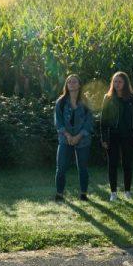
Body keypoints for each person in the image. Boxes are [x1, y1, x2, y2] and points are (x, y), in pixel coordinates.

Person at [100, 71, 133, 201]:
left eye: (120, 81)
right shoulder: (108, 97)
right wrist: (104, 138)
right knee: (112, 164)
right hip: (112, 135)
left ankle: (128, 191)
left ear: (125, 83)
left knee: (127, 164)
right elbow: (103, 120)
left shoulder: (132, 98)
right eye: (115, 81)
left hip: (128, 135)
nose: (117, 84)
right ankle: (113, 192)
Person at [54, 74, 93, 202]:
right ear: (66, 85)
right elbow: (58, 122)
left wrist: (79, 136)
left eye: (74, 82)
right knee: (61, 168)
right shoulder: (61, 102)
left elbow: (89, 123)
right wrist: (68, 135)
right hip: (65, 139)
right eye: (69, 82)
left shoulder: (86, 102)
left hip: (83, 140)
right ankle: (59, 194)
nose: (71, 84)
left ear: (79, 85)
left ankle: (83, 193)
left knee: (83, 167)